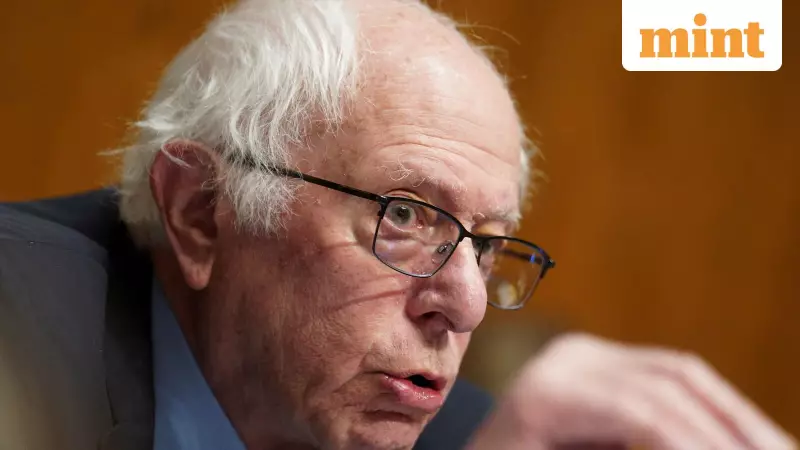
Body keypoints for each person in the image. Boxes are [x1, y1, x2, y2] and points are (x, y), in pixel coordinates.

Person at [0, 0, 795, 449]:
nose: (467, 305)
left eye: (486, 246)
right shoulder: (15, 330)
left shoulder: (465, 433)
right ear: (201, 211)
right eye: (406, 214)